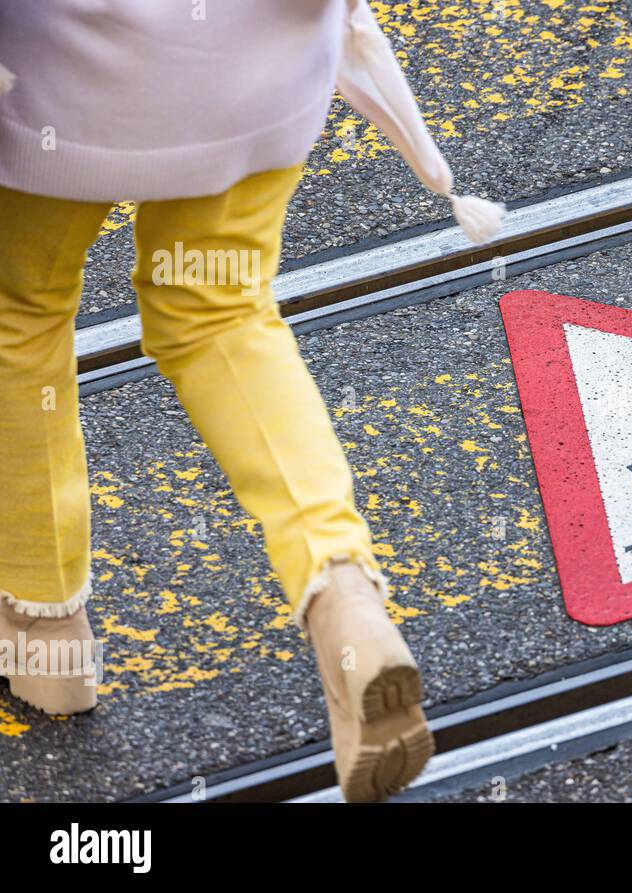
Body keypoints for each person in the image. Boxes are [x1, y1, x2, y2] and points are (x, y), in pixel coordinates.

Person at [0, 0, 501, 803]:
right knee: (219, 312)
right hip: (259, 65)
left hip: (63, 78)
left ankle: (46, 639)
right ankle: (340, 591)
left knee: (17, 316)